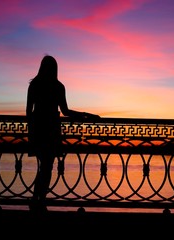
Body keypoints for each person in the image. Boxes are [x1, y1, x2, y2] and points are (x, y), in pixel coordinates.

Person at [26, 55, 100, 213]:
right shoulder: (58, 86)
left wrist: (31, 132)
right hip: (51, 129)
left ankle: (36, 199)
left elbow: (28, 112)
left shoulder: (34, 85)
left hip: (39, 129)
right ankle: (39, 199)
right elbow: (66, 111)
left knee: (44, 167)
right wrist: (86, 115)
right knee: (47, 167)